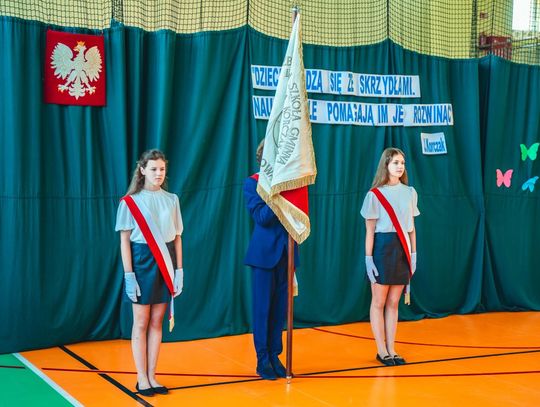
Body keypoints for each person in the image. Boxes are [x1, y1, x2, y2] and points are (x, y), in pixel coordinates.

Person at [115, 149, 183, 396]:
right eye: (153, 169)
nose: (158, 173)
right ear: (142, 170)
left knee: (157, 321)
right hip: (142, 261)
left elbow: (177, 237)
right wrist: (129, 274)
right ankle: (141, 378)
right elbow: (125, 241)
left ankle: (152, 376)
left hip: (166, 261)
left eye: (162, 169)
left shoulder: (172, 199)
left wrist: (179, 270)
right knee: (141, 322)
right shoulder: (130, 202)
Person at [243, 140, 299, 380]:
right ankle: (263, 359)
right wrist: (277, 193)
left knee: (279, 311)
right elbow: (262, 217)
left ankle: (275, 356)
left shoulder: (292, 184)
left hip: (288, 254)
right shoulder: (253, 183)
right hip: (264, 256)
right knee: (263, 310)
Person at [360, 147, 419, 366]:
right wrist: (368, 258)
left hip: (402, 249)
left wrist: (414, 253)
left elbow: (411, 228)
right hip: (383, 249)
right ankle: (381, 350)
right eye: (395, 162)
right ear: (386, 165)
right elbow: (370, 231)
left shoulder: (410, 192)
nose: (400, 166)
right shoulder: (374, 195)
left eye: (402, 162)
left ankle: (392, 349)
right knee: (379, 301)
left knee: (394, 302)